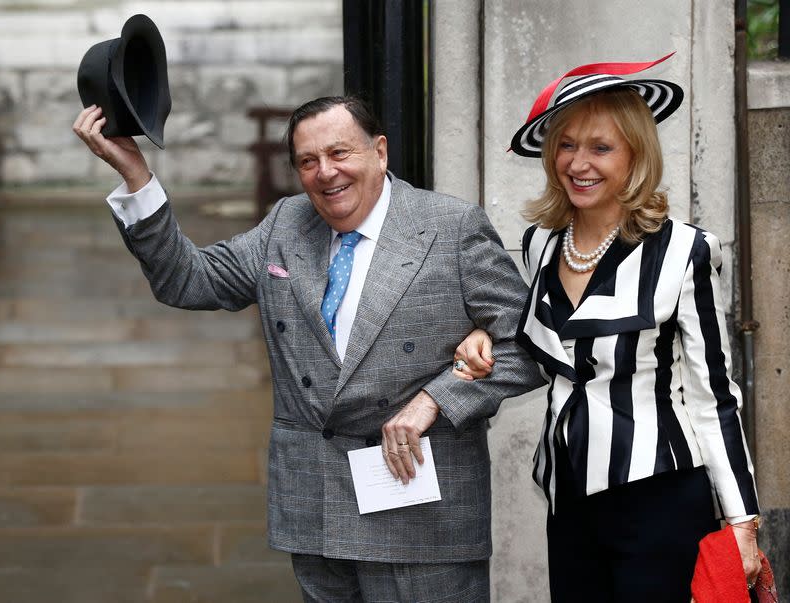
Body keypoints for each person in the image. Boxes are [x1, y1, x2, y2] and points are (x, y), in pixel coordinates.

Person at [72, 95, 543, 602]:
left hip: (419, 512)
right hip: (315, 505)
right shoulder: (286, 223)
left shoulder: (450, 227)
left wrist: (435, 399)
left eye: (340, 153)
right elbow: (188, 281)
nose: (325, 173)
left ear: (380, 152)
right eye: (307, 161)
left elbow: (531, 344)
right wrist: (138, 176)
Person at [452, 56, 761, 602]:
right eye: (566, 145)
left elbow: (715, 395)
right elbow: (541, 344)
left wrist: (742, 523)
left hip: (660, 496)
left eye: (601, 147)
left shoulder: (687, 252)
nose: (578, 162)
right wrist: (483, 339)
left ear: (636, 155)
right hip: (568, 495)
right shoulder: (541, 245)